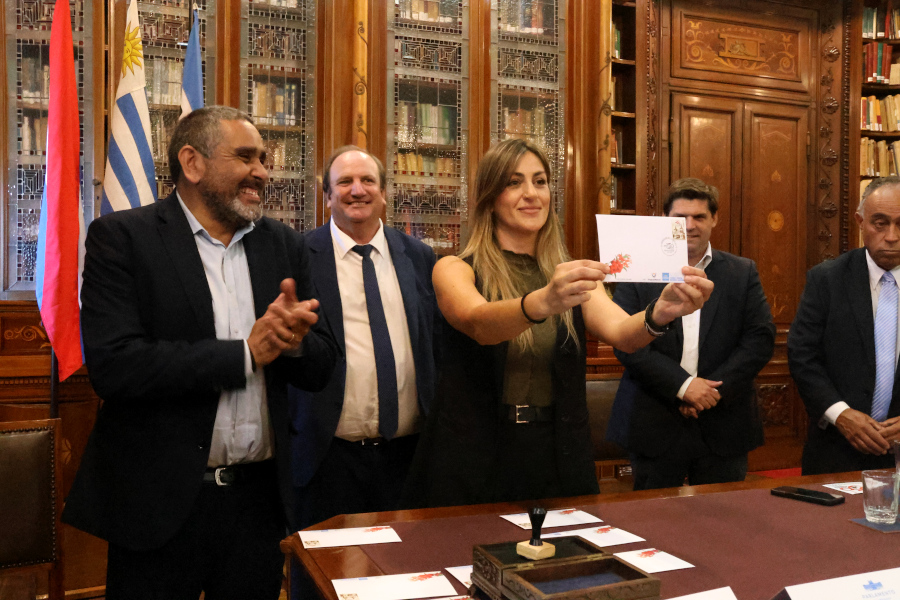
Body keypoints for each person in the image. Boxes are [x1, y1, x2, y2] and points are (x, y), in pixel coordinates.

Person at [62, 106, 339, 600]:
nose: (261, 171)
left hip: (258, 506)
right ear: (192, 163)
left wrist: (293, 345)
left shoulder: (285, 246)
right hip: (158, 506)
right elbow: (116, 366)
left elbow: (322, 364)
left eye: (263, 158)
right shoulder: (124, 239)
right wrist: (244, 354)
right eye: (245, 157)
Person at [403, 138, 714, 508]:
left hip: (558, 449)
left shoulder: (571, 273)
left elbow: (622, 334)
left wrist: (659, 313)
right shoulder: (454, 268)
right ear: (490, 196)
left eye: (540, 181)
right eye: (514, 182)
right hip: (475, 450)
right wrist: (545, 300)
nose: (531, 194)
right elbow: (478, 324)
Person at [289, 145, 440, 529]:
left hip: (409, 458)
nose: (358, 190)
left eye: (368, 180)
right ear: (327, 198)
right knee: (325, 579)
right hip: (327, 458)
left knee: (407, 578)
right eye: (345, 182)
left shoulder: (421, 257)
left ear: (384, 193)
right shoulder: (299, 256)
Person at [606, 178, 775, 490]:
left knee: (723, 525)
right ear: (665, 221)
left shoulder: (742, 272)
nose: (690, 225)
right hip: (654, 421)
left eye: (699, 216)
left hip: (724, 421)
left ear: (714, 219)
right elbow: (626, 342)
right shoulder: (638, 268)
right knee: (653, 524)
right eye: (680, 217)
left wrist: (708, 393)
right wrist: (684, 387)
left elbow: (759, 340)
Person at [789, 176, 900, 474]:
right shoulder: (827, 279)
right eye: (880, 223)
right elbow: (802, 356)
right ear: (860, 222)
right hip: (836, 448)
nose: (891, 236)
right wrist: (841, 415)